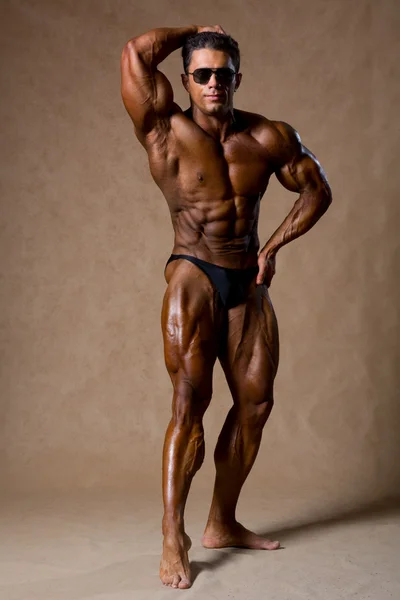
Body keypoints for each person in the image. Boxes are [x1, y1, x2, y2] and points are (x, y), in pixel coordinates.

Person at [120, 25, 332, 589]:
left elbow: (318, 189)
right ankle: (173, 535)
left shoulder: (267, 136)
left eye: (224, 73)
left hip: (247, 276)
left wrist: (273, 246)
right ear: (185, 79)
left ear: (239, 76)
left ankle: (221, 522)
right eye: (203, 74)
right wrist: (195, 31)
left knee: (256, 405)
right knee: (190, 402)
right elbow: (137, 52)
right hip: (193, 268)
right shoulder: (165, 127)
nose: (215, 83)